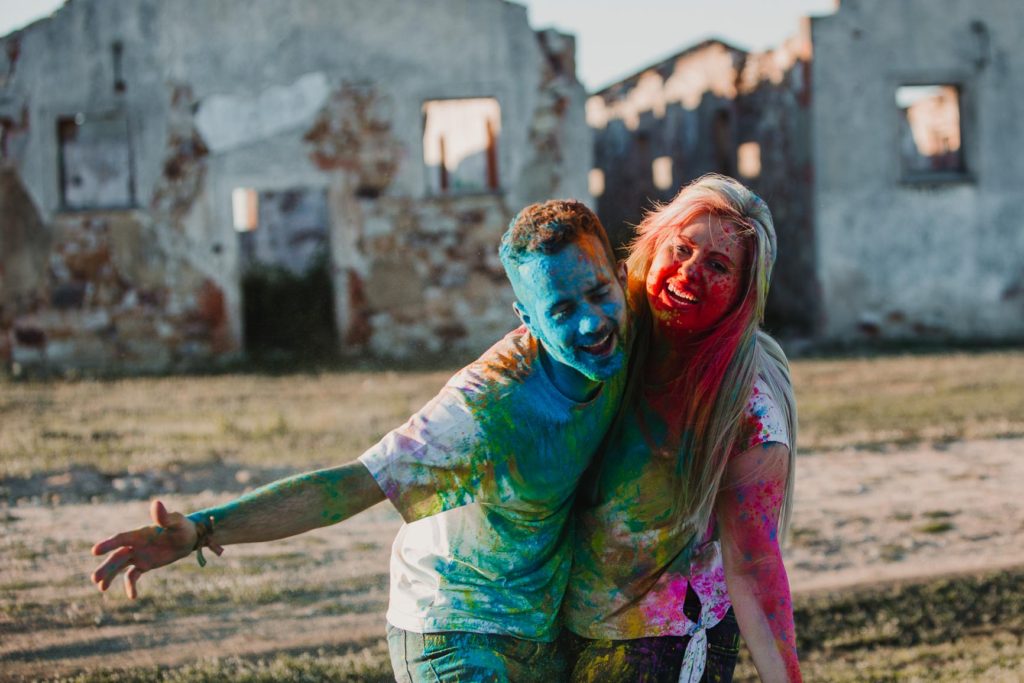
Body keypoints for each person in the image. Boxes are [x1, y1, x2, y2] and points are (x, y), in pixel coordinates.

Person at [91, 199, 631, 682]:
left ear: (621, 276)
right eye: (561, 311)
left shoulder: (633, 336)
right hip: (453, 628)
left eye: (599, 293)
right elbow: (347, 487)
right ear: (527, 319)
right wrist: (205, 527)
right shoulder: (483, 410)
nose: (590, 322)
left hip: (538, 624)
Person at [562, 175, 801, 682]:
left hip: (669, 645)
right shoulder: (600, 338)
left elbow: (754, 565)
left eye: (717, 265)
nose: (689, 273)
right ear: (655, 242)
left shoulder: (749, 414)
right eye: (682, 248)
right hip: (566, 628)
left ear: (741, 293)